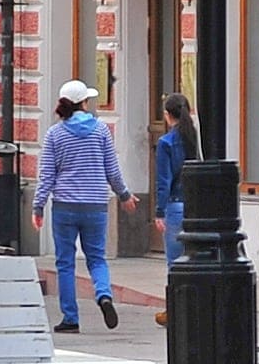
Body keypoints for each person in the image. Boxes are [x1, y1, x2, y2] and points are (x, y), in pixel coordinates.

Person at [34, 78, 131, 333]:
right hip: (96, 205)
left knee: (65, 262)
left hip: (65, 206)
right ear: (84, 103)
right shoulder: (101, 131)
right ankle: (104, 295)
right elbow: (112, 170)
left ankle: (70, 318)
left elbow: (47, 175)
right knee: (97, 259)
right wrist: (124, 195)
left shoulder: (55, 133)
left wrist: (38, 207)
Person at [151, 92, 197, 328]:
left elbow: (164, 180)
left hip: (175, 206)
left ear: (168, 116)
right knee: (193, 260)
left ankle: (176, 310)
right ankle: (193, 307)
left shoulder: (166, 142)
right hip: (194, 204)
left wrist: (159, 211)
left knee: (175, 263)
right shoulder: (193, 137)